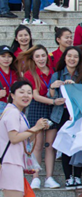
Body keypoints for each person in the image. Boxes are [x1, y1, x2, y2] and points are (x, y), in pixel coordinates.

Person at [0, 80, 49, 197]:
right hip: (10, 162)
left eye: (29, 92)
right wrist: (35, 128)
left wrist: (35, 129)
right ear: (12, 94)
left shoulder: (16, 112)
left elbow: (22, 138)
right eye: (21, 92)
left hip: (11, 162)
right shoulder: (13, 113)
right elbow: (14, 138)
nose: (26, 95)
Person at [48, 46, 82, 188]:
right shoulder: (57, 75)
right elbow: (51, 97)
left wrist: (75, 87)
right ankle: (68, 177)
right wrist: (53, 87)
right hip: (62, 114)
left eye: (75, 56)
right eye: (69, 56)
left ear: (79, 60)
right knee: (65, 145)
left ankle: (77, 176)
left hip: (77, 115)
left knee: (78, 145)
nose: (72, 59)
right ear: (64, 58)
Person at [21, 45, 58, 189]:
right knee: (37, 144)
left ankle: (49, 177)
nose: (41, 59)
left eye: (43, 56)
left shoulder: (53, 71)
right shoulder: (30, 74)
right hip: (38, 107)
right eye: (37, 56)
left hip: (53, 109)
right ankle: (35, 178)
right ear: (33, 59)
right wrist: (53, 101)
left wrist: (54, 101)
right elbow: (35, 96)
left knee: (50, 145)